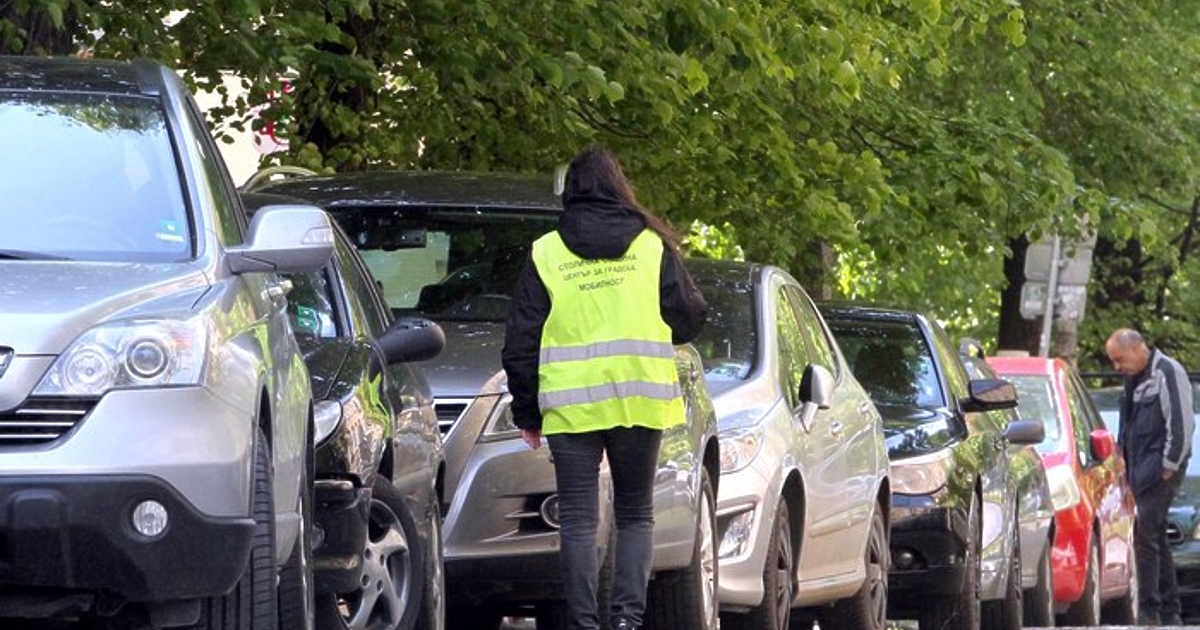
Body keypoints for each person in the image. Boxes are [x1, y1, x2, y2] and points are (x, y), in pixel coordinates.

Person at [502, 145, 708, 630]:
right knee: (635, 515)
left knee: (577, 520)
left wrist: (527, 411)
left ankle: (582, 623)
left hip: (570, 407)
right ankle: (627, 622)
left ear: (570, 192)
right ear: (619, 187)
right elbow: (690, 316)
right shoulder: (650, 247)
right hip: (639, 400)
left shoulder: (546, 253)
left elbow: (521, 338)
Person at [1106, 328, 1195, 626]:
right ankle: (1170, 611)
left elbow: (1181, 422)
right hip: (1139, 468)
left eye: (1119, 359)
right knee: (1153, 536)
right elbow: (1127, 422)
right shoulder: (1133, 378)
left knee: (1145, 532)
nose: (1117, 367)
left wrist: (1169, 464)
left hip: (1161, 466)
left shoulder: (1167, 371)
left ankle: (1149, 610)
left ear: (1136, 349)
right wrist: (1120, 457)